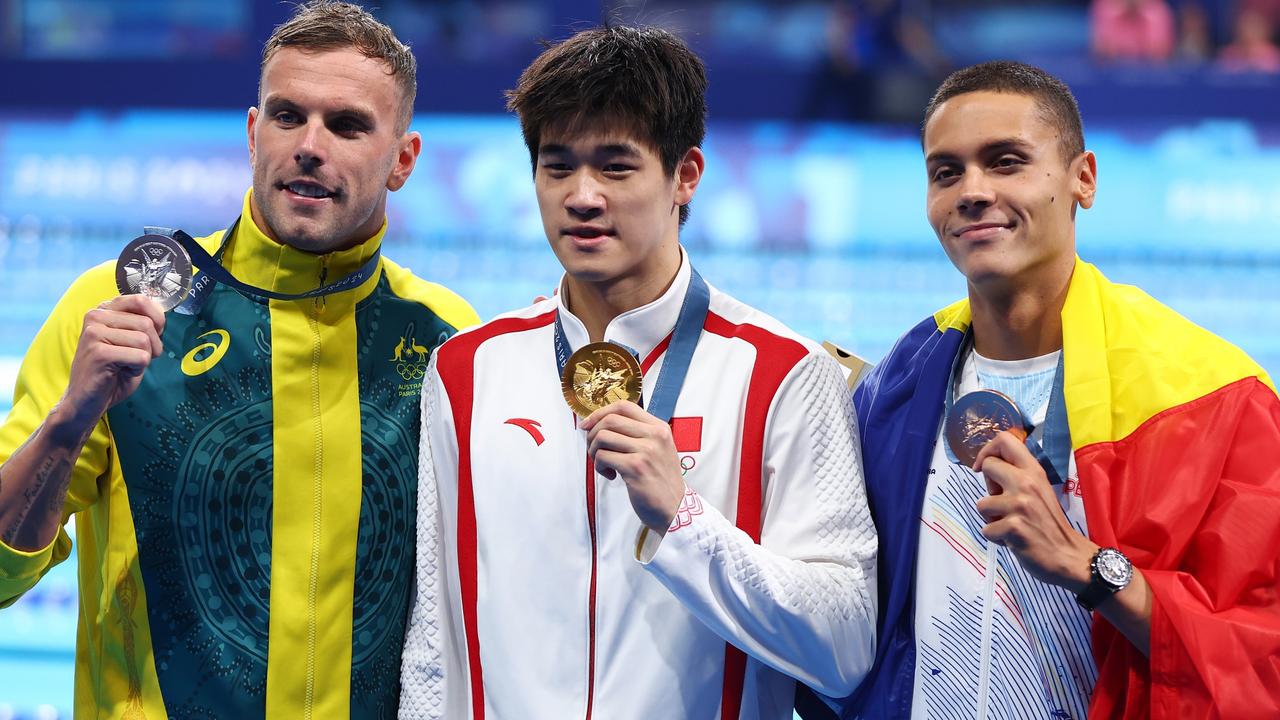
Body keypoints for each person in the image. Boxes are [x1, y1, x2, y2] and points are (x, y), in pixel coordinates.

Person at [0, 2, 478, 717]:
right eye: (288, 116)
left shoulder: (447, 340)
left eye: (347, 125)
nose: (309, 145)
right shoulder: (115, 309)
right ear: (255, 134)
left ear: (403, 160)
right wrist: (70, 420)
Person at [398, 25, 878, 719]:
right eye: (557, 166)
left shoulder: (784, 374)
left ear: (686, 175)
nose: (582, 196)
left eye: (616, 166)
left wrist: (684, 522)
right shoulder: (468, 369)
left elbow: (843, 644)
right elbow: (432, 639)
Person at [830, 61, 1280, 718]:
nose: (971, 191)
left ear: (1083, 179)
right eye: (945, 172)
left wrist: (1089, 567)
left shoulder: (1214, 397)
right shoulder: (894, 389)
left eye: (1006, 161)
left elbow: (1261, 657)